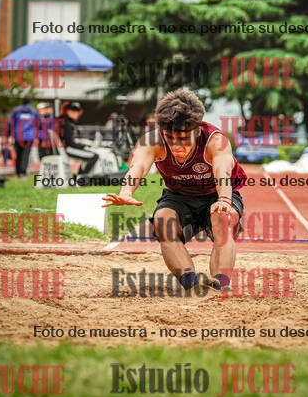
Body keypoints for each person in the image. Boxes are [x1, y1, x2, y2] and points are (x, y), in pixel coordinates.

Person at [102, 89, 246, 293]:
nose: (177, 146)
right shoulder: (153, 140)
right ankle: (191, 284)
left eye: (184, 139)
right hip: (179, 196)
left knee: (222, 217)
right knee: (162, 221)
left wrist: (223, 199)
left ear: (197, 131)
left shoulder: (215, 141)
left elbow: (222, 172)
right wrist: (126, 191)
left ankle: (220, 284)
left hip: (216, 193)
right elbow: (138, 166)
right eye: (170, 138)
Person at [58, 101, 99, 175]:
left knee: (89, 154)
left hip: (67, 148)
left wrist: (85, 145)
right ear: (67, 111)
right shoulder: (65, 123)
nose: (75, 113)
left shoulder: (66, 121)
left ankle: (79, 176)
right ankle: (82, 178)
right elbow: (71, 143)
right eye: (72, 111)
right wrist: (86, 146)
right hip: (68, 149)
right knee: (94, 156)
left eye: (77, 111)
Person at [8, 96, 38, 177]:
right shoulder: (33, 111)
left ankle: (18, 172)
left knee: (18, 153)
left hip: (18, 136)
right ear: (30, 101)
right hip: (29, 136)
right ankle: (23, 172)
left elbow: (10, 122)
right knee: (26, 154)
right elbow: (38, 123)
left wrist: (9, 133)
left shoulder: (16, 110)